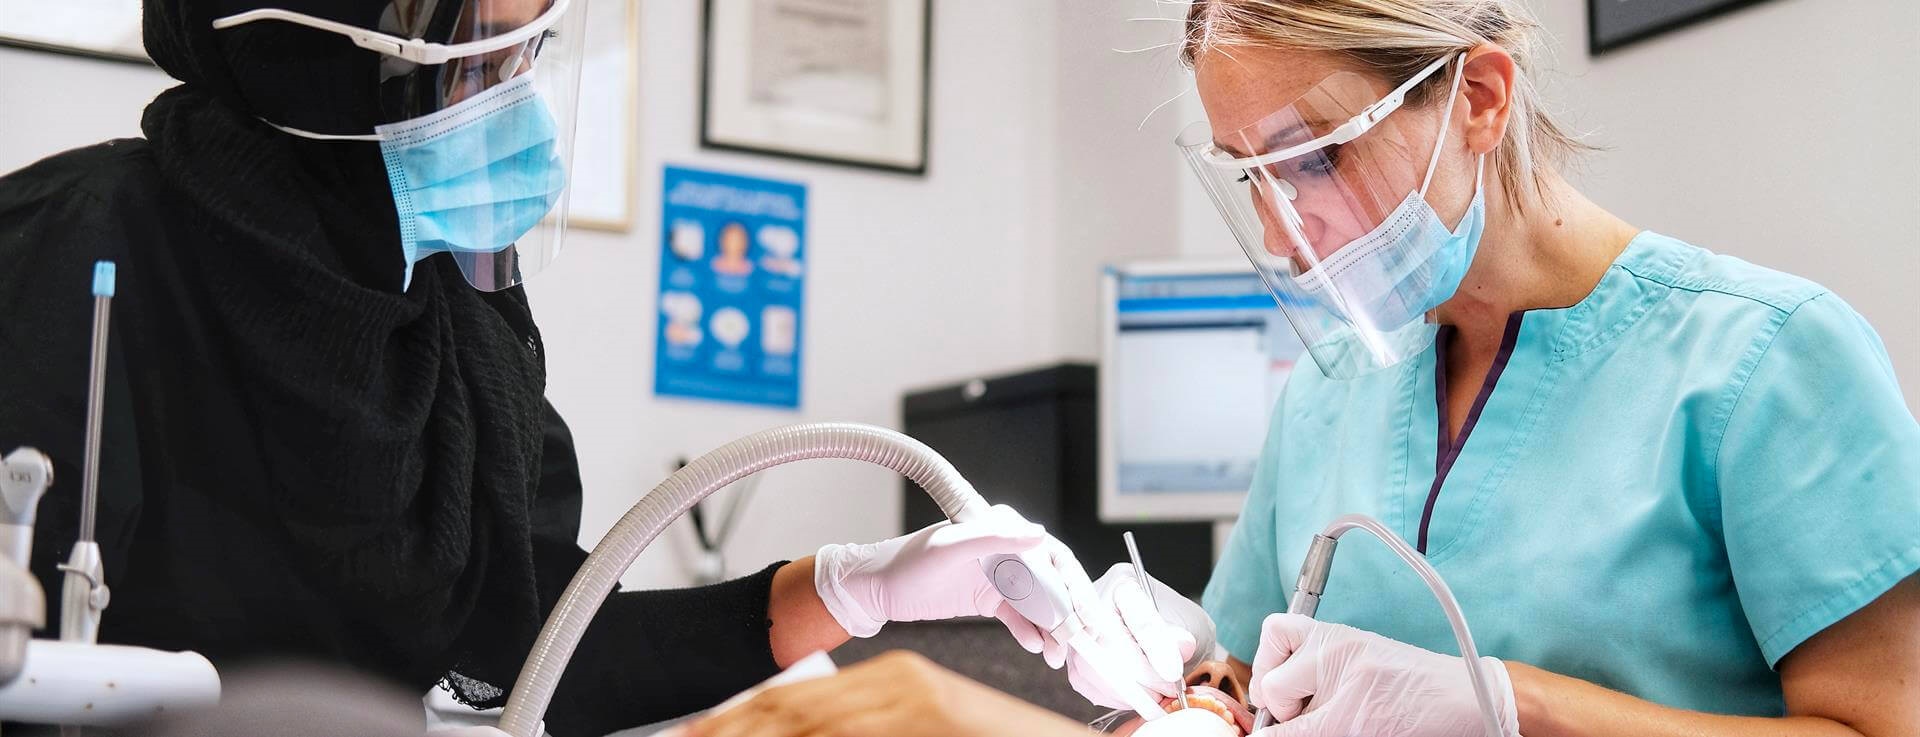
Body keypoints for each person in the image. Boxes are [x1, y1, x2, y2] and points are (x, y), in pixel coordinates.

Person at [0, 1, 1192, 734]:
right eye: (478, 68)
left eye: (532, 59)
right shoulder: (76, 251)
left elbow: (547, 655)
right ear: (332, 54)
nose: (514, 109)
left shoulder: (453, 311)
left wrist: (853, 587)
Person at [1175, 1, 1920, 736]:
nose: (1280, 234)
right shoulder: (1324, 392)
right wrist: (1183, 682)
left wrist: (1514, 703)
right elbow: (1244, 674)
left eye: (1312, 159)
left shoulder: (1771, 360)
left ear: (1479, 99)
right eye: (1253, 179)